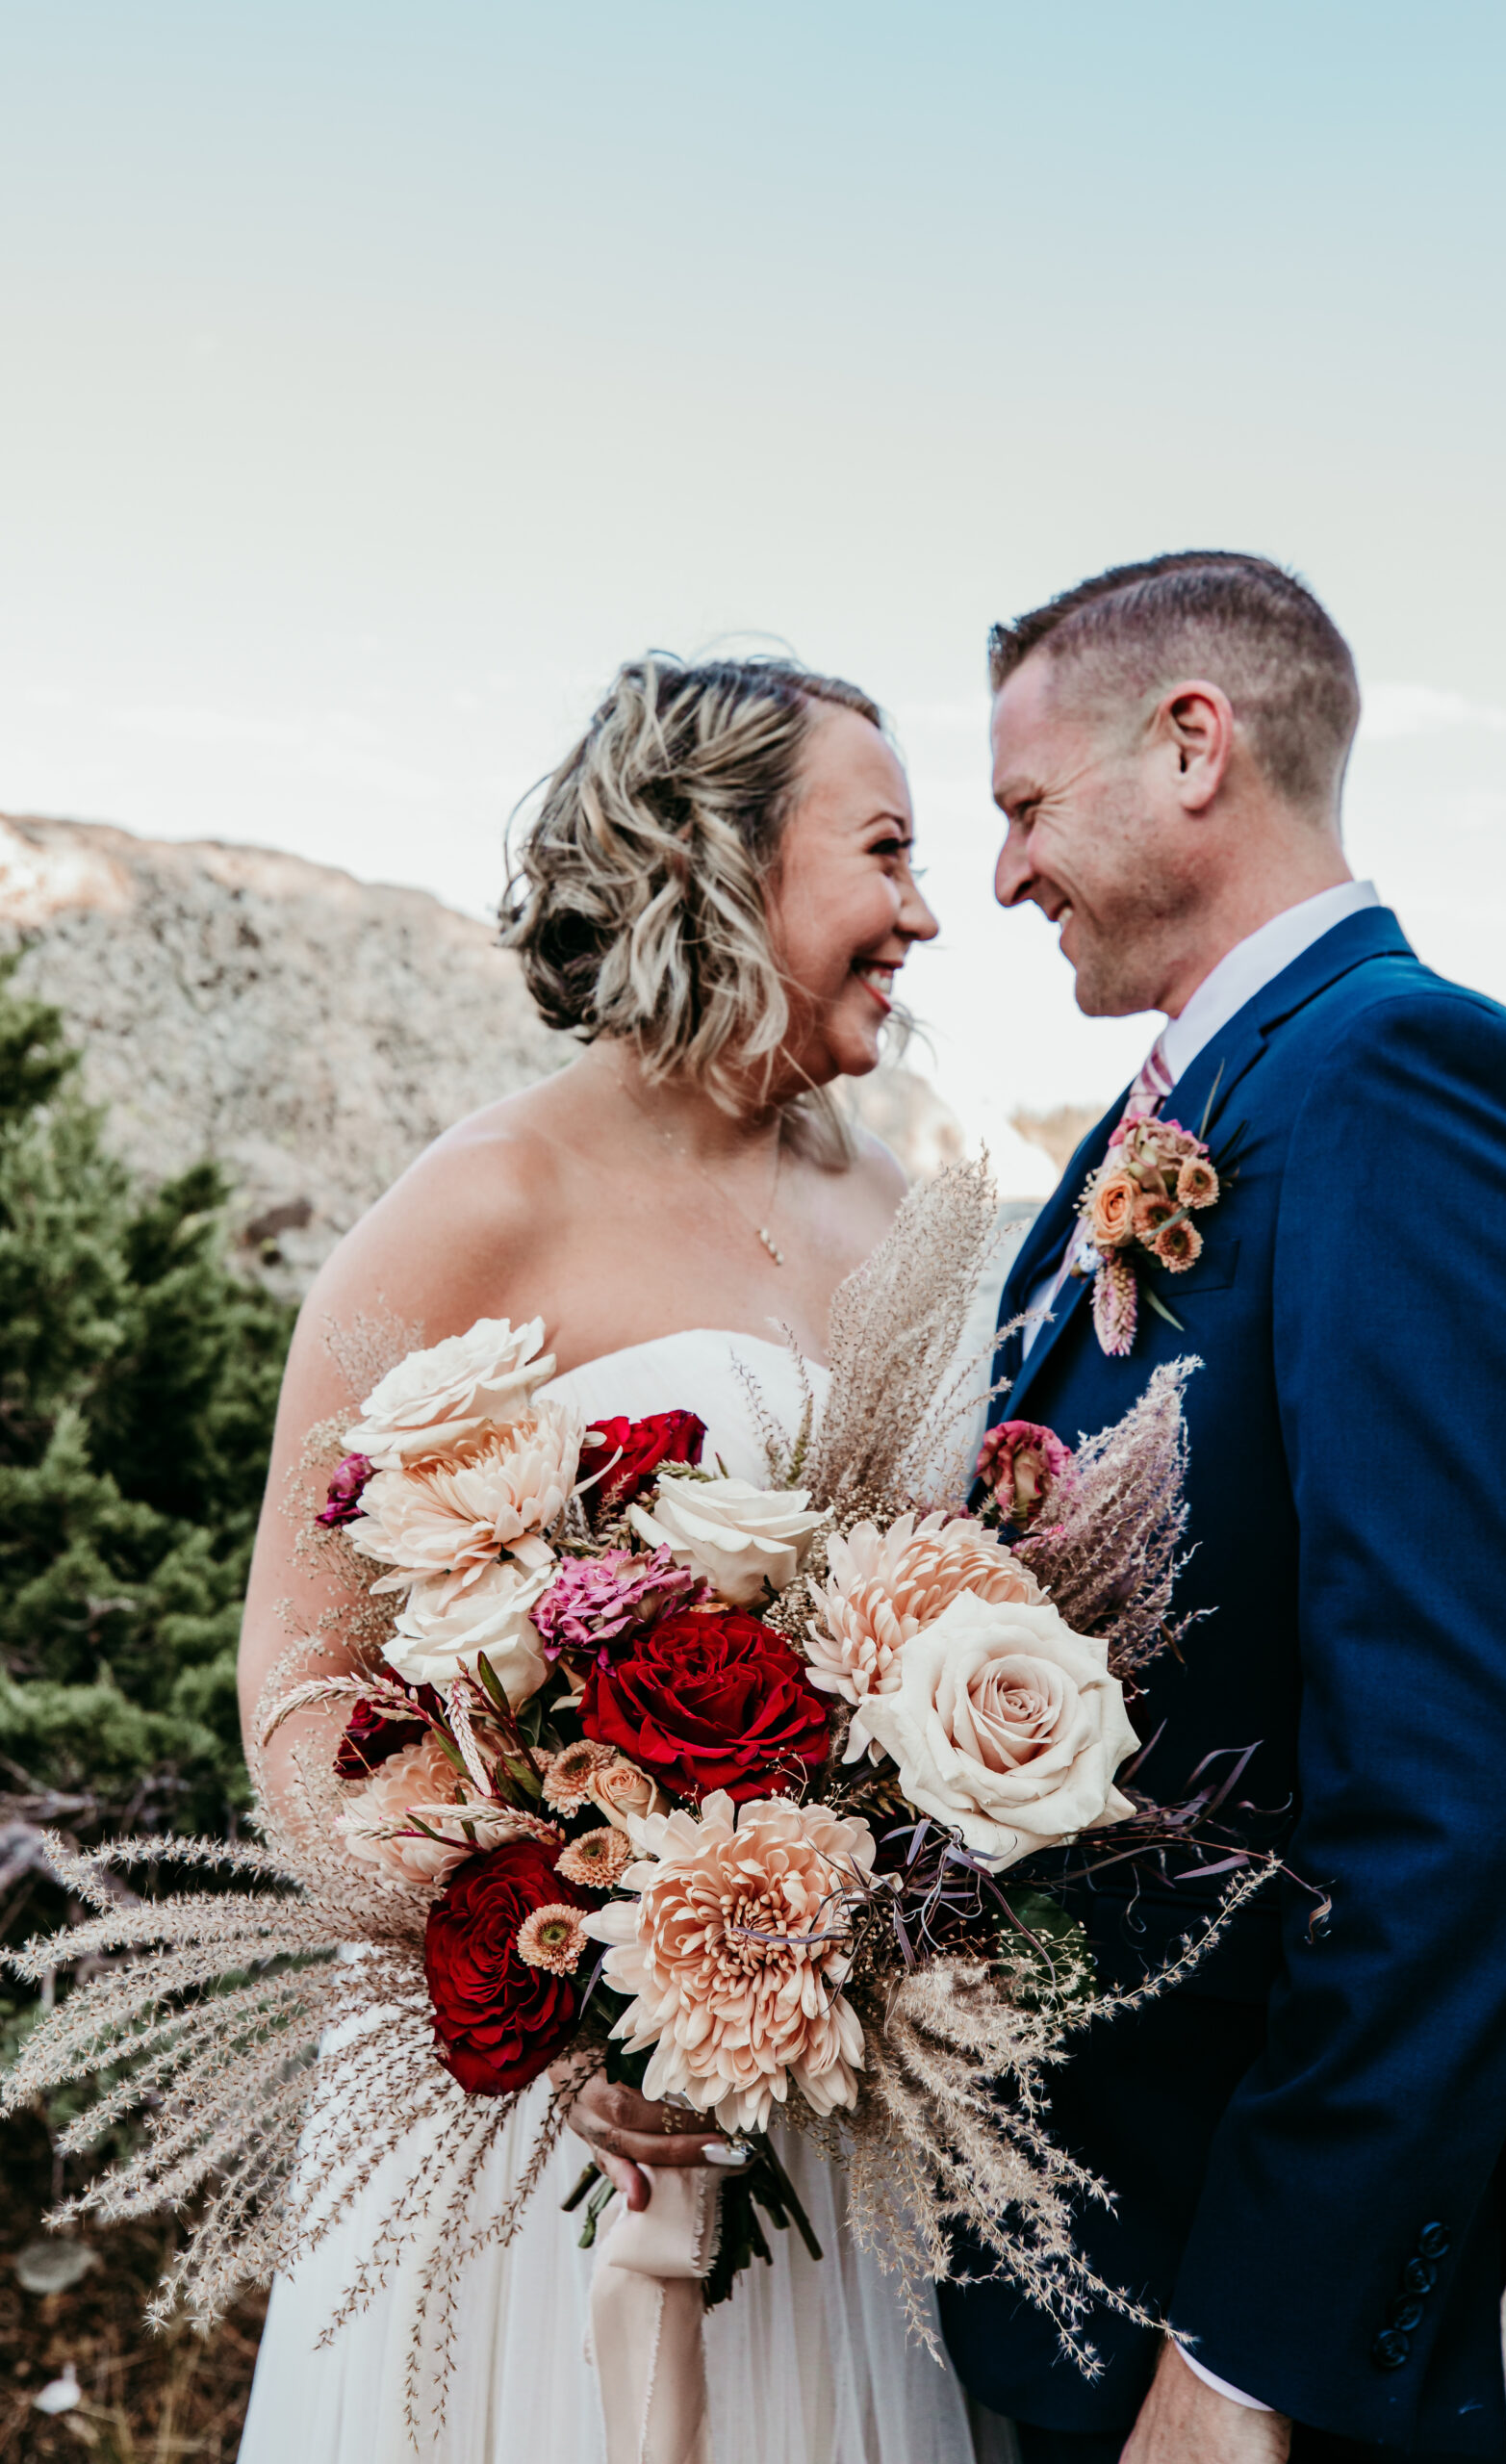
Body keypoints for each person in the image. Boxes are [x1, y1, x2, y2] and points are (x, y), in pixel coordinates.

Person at [234, 654, 1001, 2464]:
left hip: (817, 2113)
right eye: (885, 851)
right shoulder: (484, 1201)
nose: (924, 912)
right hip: (539, 2133)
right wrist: (549, 1972)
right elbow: (300, 1677)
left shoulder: (904, 1209)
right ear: (719, 857)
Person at [936, 552, 1506, 2463]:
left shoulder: (1404, 1077)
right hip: (1063, 2247)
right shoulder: (1164, 1111)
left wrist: (1243, 2356)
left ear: (1186, 748)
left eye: (1018, 808)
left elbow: (1461, 1780)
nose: (1001, 876)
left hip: (1228, 2318)